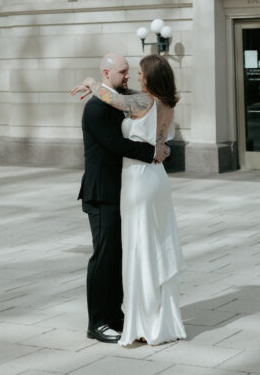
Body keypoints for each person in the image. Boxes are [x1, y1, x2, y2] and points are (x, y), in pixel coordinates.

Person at [72, 54, 186, 347]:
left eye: (134, 72)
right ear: (107, 72)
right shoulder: (99, 106)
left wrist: (92, 82)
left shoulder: (135, 101)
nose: (130, 77)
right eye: (123, 72)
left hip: (135, 185)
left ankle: (124, 315)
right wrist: (154, 151)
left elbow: (126, 111)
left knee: (130, 253)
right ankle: (98, 322)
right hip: (105, 191)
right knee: (107, 256)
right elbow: (114, 144)